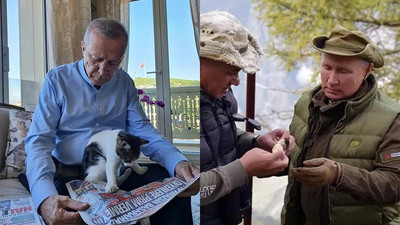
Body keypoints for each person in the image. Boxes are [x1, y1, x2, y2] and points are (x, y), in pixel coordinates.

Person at [24, 18, 199, 225]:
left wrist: (176, 161)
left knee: (175, 189)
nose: (102, 70)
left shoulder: (124, 82)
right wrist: (45, 199)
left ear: (121, 58)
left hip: (116, 168)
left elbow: (141, 129)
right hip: (69, 171)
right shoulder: (57, 80)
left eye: (112, 63)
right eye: (96, 59)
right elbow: (39, 141)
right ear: (83, 48)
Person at [282, 25, 400, 225]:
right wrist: (281, 154)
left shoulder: (391, 119)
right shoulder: (306, 104)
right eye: (327, 68)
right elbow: (296, 163)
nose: (332, 79)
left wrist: (339, 174)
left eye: (344, 71)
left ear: (367, 70)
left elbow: (394, 184)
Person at [199, 11, 295, 225]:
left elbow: (219, 139)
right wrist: (243, 169)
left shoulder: (220, 95)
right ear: (200, 63)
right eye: (230, 71)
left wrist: (256, 142)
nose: (236, 81)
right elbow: (184, 191)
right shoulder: (172, 109)